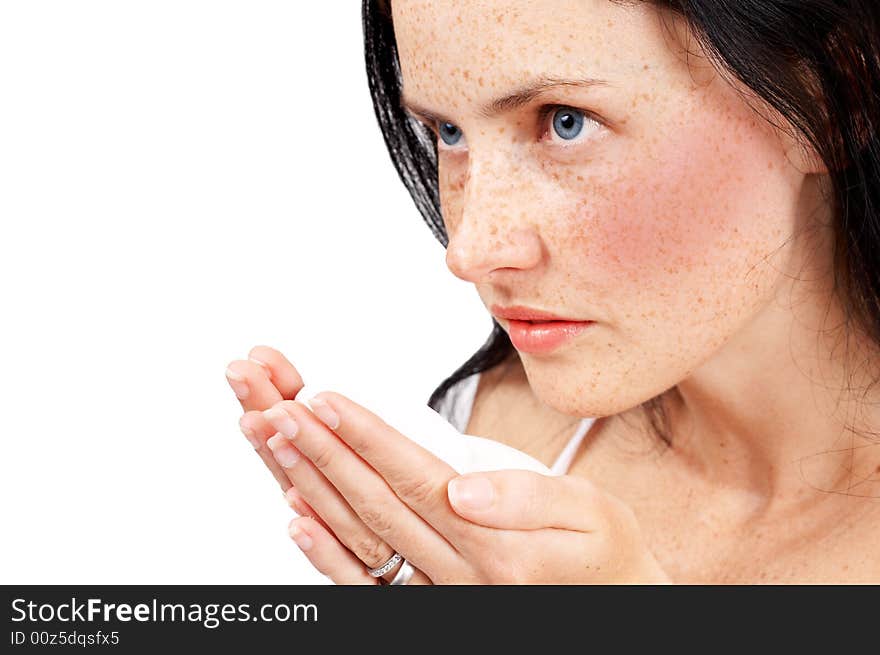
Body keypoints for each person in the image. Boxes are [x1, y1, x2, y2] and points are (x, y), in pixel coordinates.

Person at [225, 0, 880, 583]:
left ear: (831, 102)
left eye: (566, 122)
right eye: (448, 133)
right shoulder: (490, 448)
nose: (470, 250)